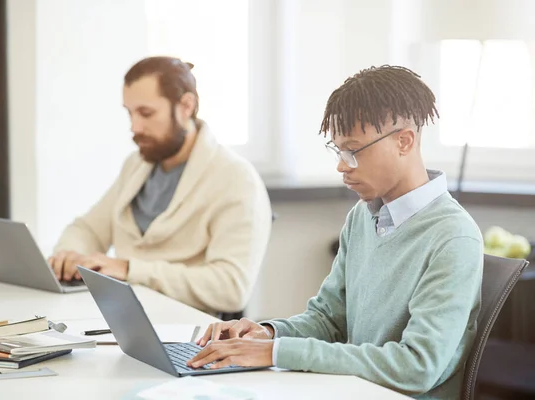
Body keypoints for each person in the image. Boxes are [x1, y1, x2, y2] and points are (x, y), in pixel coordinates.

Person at [188, 65, 483, 399]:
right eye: (338, 150)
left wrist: (275, 353)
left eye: (353, 151)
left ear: (404, 141)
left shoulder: (453, 238)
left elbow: (417, 366)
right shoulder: (362, 217)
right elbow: (328, 320)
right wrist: (266, 334)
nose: (342, 165)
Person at [48, 56, 272, 315]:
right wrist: (70, 255)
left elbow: (232, 288)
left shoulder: (235, 178)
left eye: (146, 113)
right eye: (129, 113)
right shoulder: (136, 165)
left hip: (186, 333)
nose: (135, 127)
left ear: (186, 106)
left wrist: (130, 269)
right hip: (124, 319)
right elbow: (88, 229)